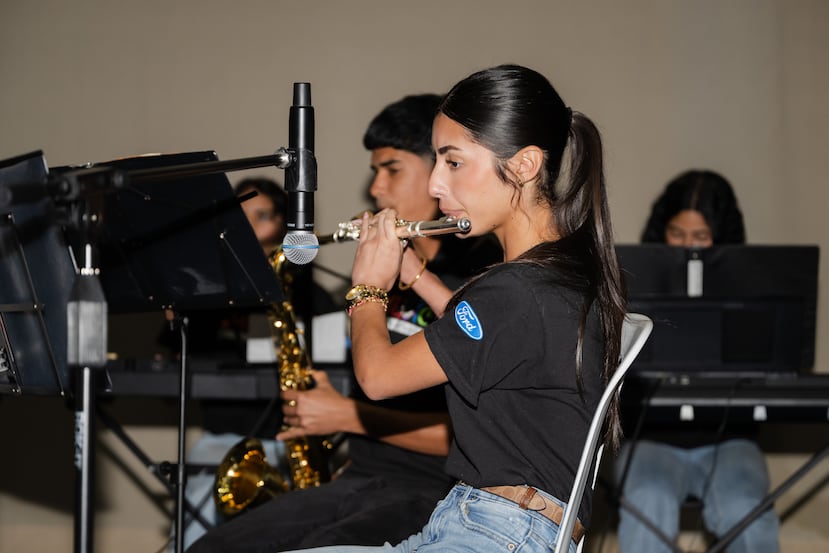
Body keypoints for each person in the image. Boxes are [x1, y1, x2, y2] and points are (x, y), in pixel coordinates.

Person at [280, 63, 627, 553]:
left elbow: (378, 378)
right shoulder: (554, 273)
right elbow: (481, 333)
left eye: (454, 162)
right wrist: (416, 277)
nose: (437, 185)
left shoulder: (514, 291)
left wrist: (368, 288)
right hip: (486, 522)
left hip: (497, 533)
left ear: (525, 165)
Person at [187, 93, 502, 553]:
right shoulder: (382, 275)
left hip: (433, 490)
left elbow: (479, 433)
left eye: (391, 169)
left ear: (438, 171)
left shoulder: (477, 280)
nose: (376, 189)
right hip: (361, 476)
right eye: (375, 171)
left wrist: (348, 415)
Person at [164, 176, 339, 552]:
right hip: (220, 442)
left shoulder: (311, 295)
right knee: (198, 516)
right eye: (236, 218)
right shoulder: (205, 294)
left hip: (288, 439)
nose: (245, 230)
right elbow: (169, 370)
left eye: (258, 217)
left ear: (286, 226)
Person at [615, 169, 780, 553]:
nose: (688, 248)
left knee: (745, 508)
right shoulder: (635, 283)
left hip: (730, 441)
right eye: (678, 235)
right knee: (647, 503)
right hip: (649, 439)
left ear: (721, 240)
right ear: (662, 231)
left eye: (701, 238)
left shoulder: (749, 289)